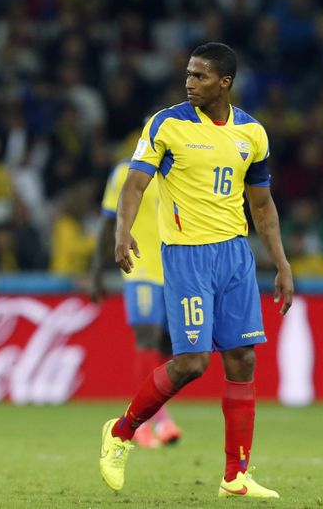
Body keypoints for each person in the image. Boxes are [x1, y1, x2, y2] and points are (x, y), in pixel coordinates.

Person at [99, 43, 294, 498]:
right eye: (188, 74)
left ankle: (235, 476)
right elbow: (133, 184)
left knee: (243, 358)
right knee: (192, 363)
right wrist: (122, 232)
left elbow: (262, 205)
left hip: (235, 255)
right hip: (187, 255)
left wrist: (282, 263)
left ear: (224, 83)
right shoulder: (167, 124)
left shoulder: (252, 133)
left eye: (200, 76)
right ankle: (121, 432)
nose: (189, 83)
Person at [90, 130, 182, 448]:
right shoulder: (124, 173)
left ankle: (150, 415)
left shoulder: (181, 171)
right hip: (140, 269)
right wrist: (96, 271)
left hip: (175, 272)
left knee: (170, 348)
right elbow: (108, 221)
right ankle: (151, 422)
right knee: (146, 337)